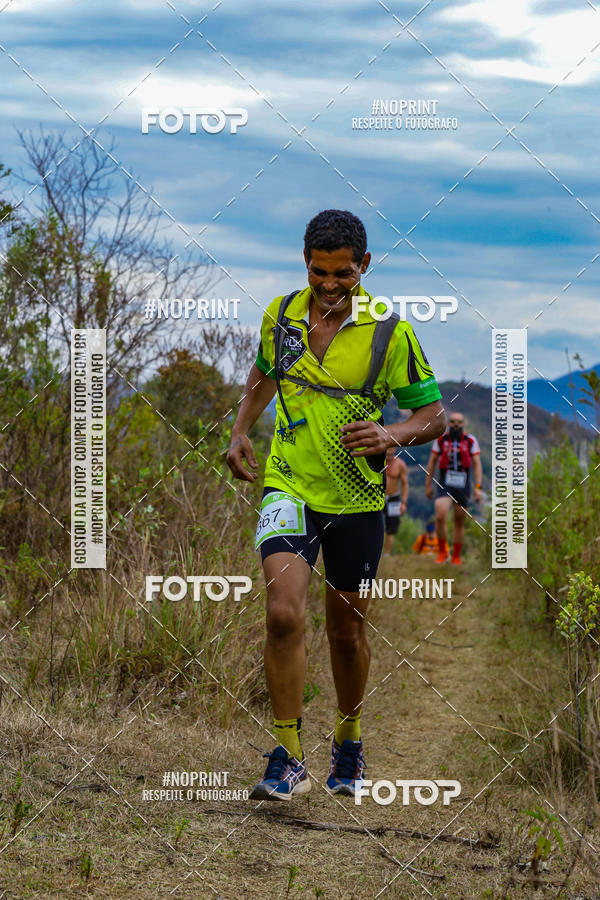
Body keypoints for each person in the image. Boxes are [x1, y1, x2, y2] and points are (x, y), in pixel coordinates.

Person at [226, 209, 445, 800]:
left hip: (357, 498)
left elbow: (433, 416)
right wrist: (241, 428)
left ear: (365, 265)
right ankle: (287, 755)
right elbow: (264, 374)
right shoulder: (281, 315)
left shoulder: (390, 332)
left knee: (346, 631)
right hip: (289, 485)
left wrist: (392, 434)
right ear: (306, 263)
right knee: (282, 614)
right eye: (318, 272)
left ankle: (348, 739)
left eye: (342, 274)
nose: (329, 285)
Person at [425, 412, 482, 565]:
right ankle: (443, 552)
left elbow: (477, 464)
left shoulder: (471, 440)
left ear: (463, 424)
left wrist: (478, 487)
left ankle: (456, 555)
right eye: (453, 421)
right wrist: (428, 484)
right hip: (445, 481)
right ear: (448, 423)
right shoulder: (441, 440)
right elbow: (432, 462)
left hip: (463, 483)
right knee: (440, 515)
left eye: (459, 422)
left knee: (459, 520)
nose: (456, 424)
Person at [383, 447, 408, 556]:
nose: (389, 449)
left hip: (394, 498)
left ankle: (387, 553)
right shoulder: (377, 461)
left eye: (392, 446)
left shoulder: (400, 464)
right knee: (374, 525)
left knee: (391, 527)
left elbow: (405, 484)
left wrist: (403, 502)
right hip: (378, 497)